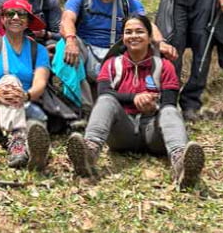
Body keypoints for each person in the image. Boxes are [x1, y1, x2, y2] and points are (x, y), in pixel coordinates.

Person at [67, 15, 206, 189]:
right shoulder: (111, 64)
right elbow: (104, 93)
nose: (134, 36)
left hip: (153, 133)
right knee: (105, 101)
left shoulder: (165, 66)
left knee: (170, 111)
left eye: (140, 32)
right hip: (122, 132)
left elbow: (170, 101)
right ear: (123, 38)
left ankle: (181, 164)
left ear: (149, 38)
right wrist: (135, 98)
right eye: (128, 32)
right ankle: (89, 153)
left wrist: (153, 107)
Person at [0, 0, 51, 170]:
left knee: (36, 126)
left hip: (26, 105)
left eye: (21, 14)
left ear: (28, 21)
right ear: (2, 19)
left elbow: (40, 83)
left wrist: (25, 95)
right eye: (10, 13)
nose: (16, 17)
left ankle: (34, 151)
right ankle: (17, 143)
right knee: (10, 80)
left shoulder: (38, 50)